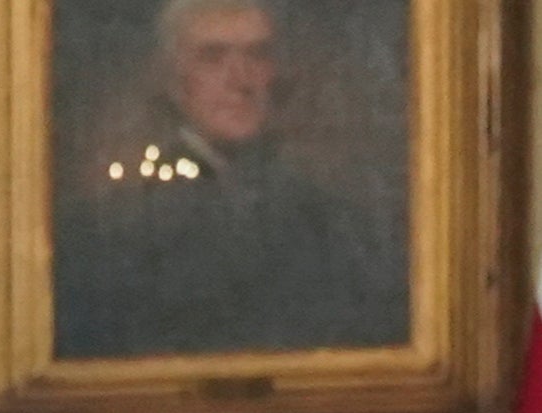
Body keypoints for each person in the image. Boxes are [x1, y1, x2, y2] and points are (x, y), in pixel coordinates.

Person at [55, 0, 403, 359]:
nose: (240, 80)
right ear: (173, 79)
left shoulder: (331, 220)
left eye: (257, 55)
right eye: (212, 57)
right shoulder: (112, 225)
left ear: (276, 74)